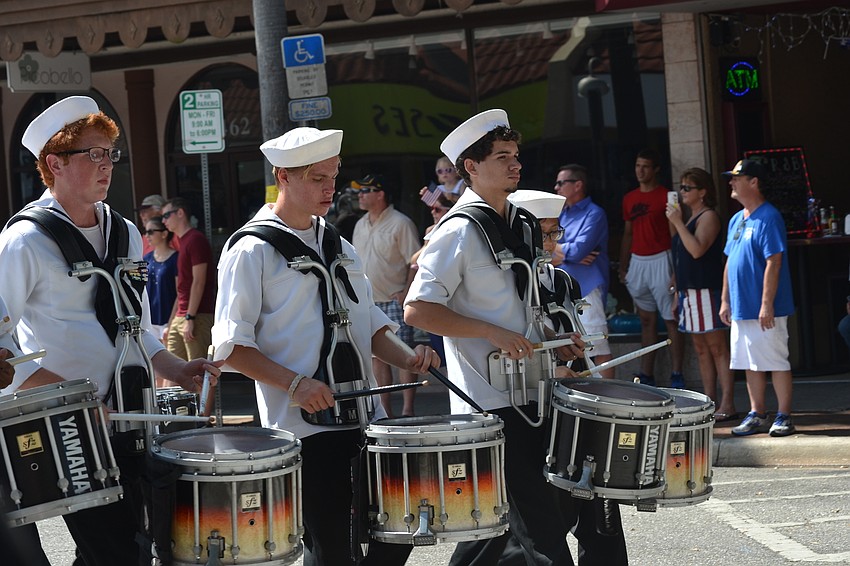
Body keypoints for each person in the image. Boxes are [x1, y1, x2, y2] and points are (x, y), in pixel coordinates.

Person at [0, 95, 221, 565]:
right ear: (55, 163)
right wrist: (75, 401)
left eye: (110, 154)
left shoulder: (124, 232)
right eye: (93, 154)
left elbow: (131, 328)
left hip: (133, 414)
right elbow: (1, 347)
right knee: (116, 551)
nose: (107, 165)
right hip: (68, 427)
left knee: (132, 547)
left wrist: (176, 368)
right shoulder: (24, 240)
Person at [405, 109, 628, 566]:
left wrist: (557, 340)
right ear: (471, 167)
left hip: (537, 391)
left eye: (515, 155)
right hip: (490, 402)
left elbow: (526, 308)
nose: (515, 164)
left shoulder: (523, 224)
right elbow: (419, 308)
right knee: (543, 533)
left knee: (524, 522)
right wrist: (490, 332)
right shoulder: (457, 230)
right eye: (502, 157)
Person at [211, 126, 439, 566]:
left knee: (404, 525)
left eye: (333, 176)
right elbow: (230, 347)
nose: (330, 188)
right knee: (331, 547)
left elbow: (370, 327)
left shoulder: (339, 242)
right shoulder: (250, 249)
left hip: (365, 418)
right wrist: (296, 384)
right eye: (317, 178)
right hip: (305, 428)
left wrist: (410, 358)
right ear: (283, 177)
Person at [719, 158, 796, 437]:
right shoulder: (736, 219)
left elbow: (774, 260)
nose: (731, 182)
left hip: (765, 306)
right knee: (749, 361)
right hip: (741, 306)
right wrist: (725, 300)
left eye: (737, 178)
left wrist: (766, 303)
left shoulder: (769, 216)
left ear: (754, 182)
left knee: (775, 360)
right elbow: (730, 261)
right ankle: (757, 413)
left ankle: (784, 416)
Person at [666, 167, 737, 419]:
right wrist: (676, 291)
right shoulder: (688, 218)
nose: (683, 192)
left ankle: (727, 402)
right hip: (689, 291)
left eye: (688, 188)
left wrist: (677, 222)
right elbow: (682, 255)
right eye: (681, 187)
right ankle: (709, 401)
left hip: (707, 289)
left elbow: (697, 250)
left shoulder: (709, 217)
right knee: (701, 349)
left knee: (717, 347)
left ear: (703, 192)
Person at [352, 174, 422, 417]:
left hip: (394, 300)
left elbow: (415, 262)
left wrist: (407, 292)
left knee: (405, 353)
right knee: (376, 357)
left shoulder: (401, 223)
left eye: (365, 191)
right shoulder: (360, 224)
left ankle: (408, 409)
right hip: (369, 302)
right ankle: (385, 410)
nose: (360, 196)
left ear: (380, 194)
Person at [619, 148, 685, 388]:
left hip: (662, 258)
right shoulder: (629, 198)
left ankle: (677, 373)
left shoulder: (667, 196)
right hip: (638, 261)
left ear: (656, 169)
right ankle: (646, 373)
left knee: (671, 320)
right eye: (638, 166)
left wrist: (677, 269)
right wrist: (623, 265)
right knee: (646, 320)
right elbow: (628, 233)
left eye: (645, 166)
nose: (640, 171)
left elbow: (675, 235)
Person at [550, 164, 614, 378]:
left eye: (561, 183)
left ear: (578, 185)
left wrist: (561, 252)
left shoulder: (595, 213)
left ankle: (609, 395)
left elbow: (578, 251)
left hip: (587, 289)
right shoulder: (560, 213)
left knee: (598, 349)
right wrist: (567, 253)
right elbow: (543, 248)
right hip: (561, 290)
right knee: (571, 349)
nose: (556, 187)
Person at [161, 196, 216, 362]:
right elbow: (182, 289)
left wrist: (190, 318)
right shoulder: (182, 242)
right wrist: (171, 323)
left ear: (180, 213)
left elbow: (199, 281)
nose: (163, 221)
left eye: (166, 215)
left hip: (197, 316)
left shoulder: (195, 239)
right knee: (173, 370)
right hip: (181, 316)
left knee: (198, 371)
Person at [143, 216, 178, 343]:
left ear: (164, 234)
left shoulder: (176, 259)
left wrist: (171, 323)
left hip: (170, 319)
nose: (147, 236)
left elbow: (180, 293)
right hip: (150, 320)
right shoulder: (146, 259)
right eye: (146, 232)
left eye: (151, 232)